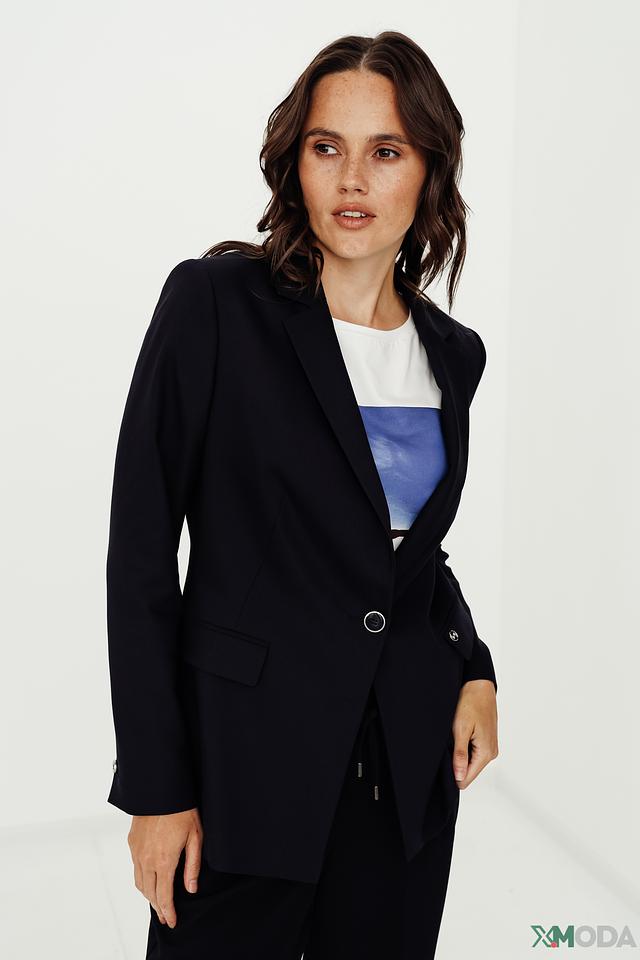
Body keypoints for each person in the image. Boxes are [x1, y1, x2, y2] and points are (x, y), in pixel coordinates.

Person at [106, 29, 499, 960]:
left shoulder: (453, 354)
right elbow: (141, 550)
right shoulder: (215, 306)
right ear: (297, 160)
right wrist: (158, 787)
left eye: (386, 151)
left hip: (403, 775)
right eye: (328, 147)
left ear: (430, 171)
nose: (352, 180)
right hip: (245, 769)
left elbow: (407, 553)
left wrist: (476, 665)